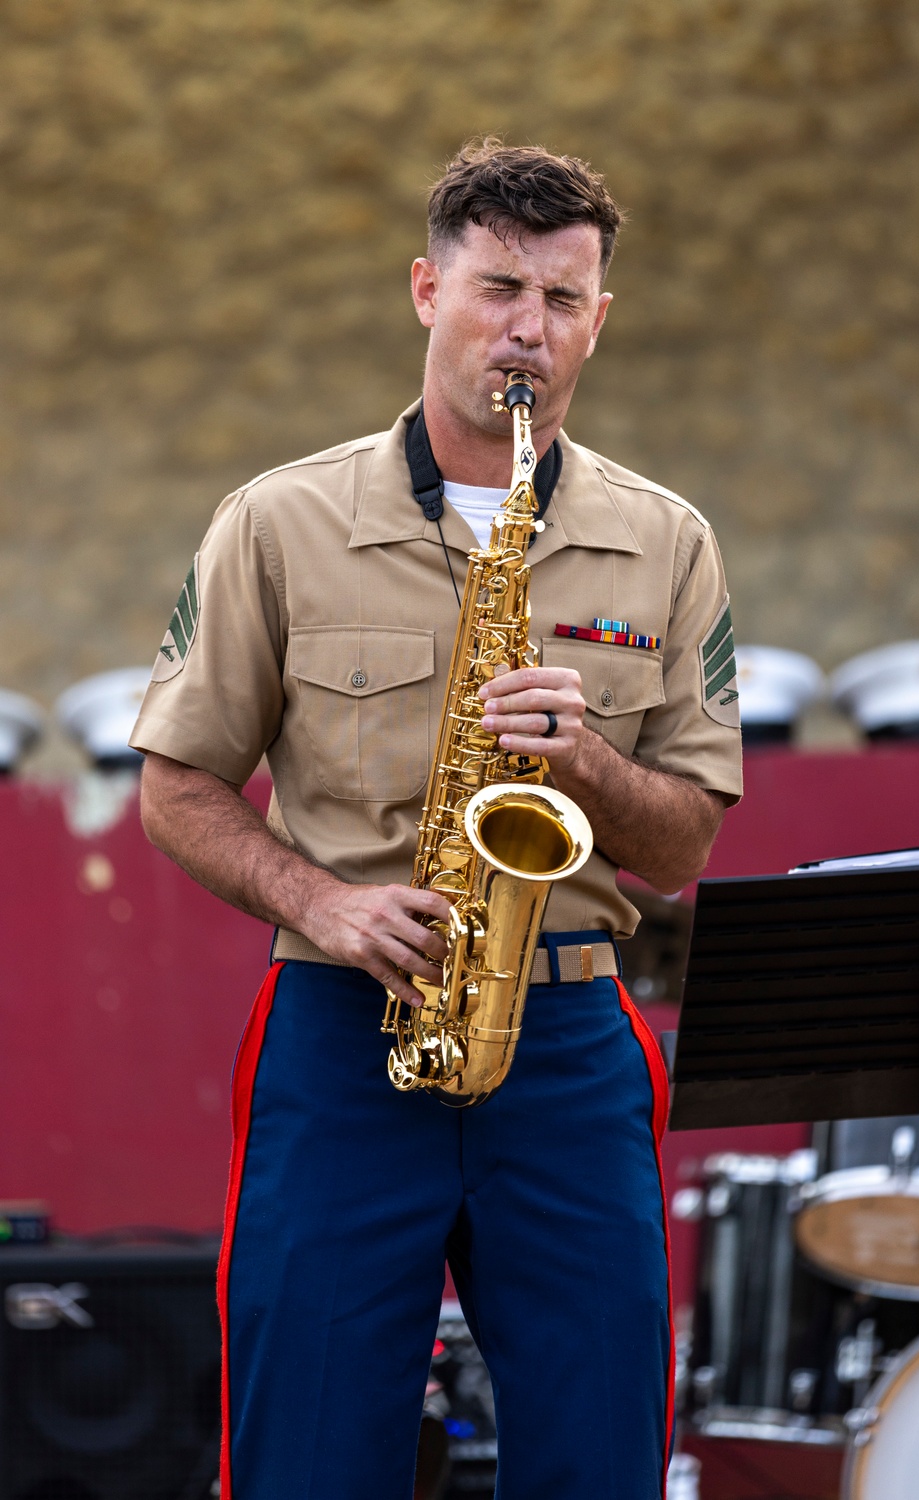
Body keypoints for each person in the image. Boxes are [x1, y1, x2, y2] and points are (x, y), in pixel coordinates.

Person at [131, 138, 742, 1500]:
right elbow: (176, 789)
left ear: (601, 318)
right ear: (426, 289)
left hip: (571, 1039)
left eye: (563, 300)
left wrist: (581, 757)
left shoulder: (670, 542)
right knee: (304, 1459)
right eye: (497, 288)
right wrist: (323, 903)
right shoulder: (279, 522)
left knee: (600, 1461)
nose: (527, 329)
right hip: (346, 1030)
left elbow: (686, 842)